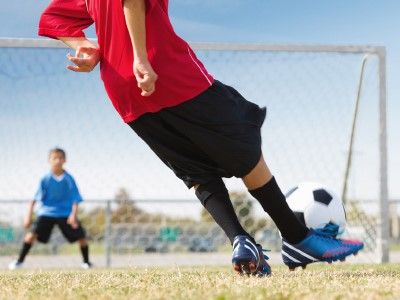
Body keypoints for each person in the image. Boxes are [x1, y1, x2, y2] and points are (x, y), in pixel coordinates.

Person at [37, 0, 363, 276]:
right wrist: (141, 58)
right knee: (243, 134)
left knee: (193, 168)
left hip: (122, 90)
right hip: (164, 71)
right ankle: (297, 238)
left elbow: (52, 17)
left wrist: (87, 48)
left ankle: (240, 240)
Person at [8, 148, 92, 270]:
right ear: (49, 160)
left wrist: (73, 215)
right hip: (47, 212)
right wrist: (28, 217)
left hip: (65, 213)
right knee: (30, 235)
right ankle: (19, 262)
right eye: (54, 158)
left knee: (82, 236)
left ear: (65, 160)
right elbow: (34, 199)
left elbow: (75, 198)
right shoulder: (45, 179)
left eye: (60, 158)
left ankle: (86, 262)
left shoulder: (69, 179)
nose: (58, 160)